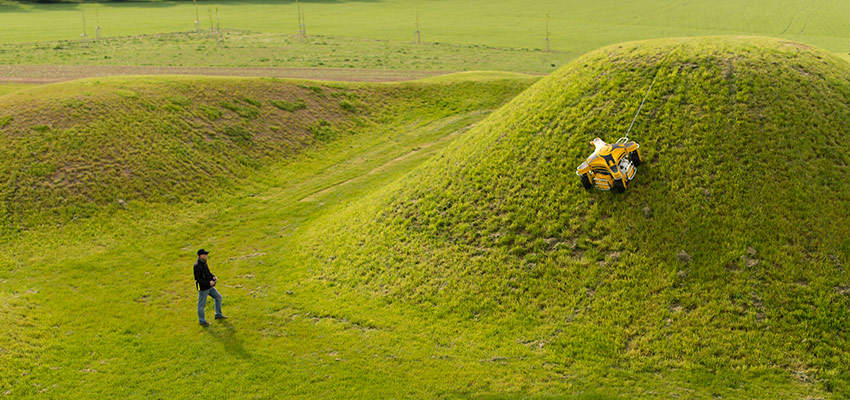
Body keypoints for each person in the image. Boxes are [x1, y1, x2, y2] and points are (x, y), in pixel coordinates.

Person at [194, 249, 227, 326]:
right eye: (205, 254)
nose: (207, 256)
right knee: (201, 305)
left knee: (218, 297)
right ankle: (202, 321)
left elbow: (208, 273)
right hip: (204, 288)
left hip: (210, 287)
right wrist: (208, 283)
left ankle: (218, 315)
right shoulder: (197, 266)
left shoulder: (204, 263)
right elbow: (198, 278)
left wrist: (213, 277)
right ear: (201, 256)